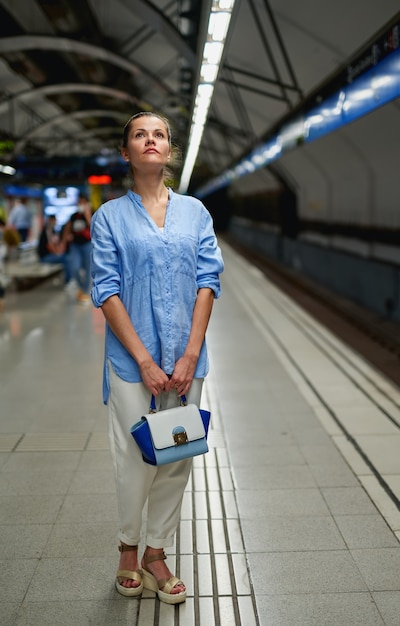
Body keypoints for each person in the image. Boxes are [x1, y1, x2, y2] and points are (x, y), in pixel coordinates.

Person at [90, 112, 224, 603]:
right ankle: (128, 547)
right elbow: (105, 290)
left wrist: (190, 354)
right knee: (135, 458)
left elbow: (209, 280)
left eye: (160, 135)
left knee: (177, 455)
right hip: (131, 363)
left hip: (188, 362)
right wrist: (145, 360)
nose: (151, 140)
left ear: (169, 151)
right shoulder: (108, 217)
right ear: (126, 153)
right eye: (140, 135)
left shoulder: (196, 213)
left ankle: (156, 552)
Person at [63, 193, 92, 303]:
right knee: (74, 267)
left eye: (83, 202)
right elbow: (68, 229)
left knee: (88, 269)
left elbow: (93, 226)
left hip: (87, 244)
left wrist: (87, 214)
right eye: (79, 202)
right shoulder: (74, 216)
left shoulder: (90, 213)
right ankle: (81, 286)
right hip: (75, 245)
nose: (80, 204)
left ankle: (85, 291)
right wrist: (64, 240)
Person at [37, 214, 72, 284]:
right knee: (66, 259)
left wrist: (59, 251)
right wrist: (58, 253)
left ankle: (69, 280)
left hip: (52, 256)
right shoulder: (47, 231)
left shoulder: (53, 231)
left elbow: (56, 244)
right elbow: (49, 246)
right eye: (53, 220)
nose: (54, 222)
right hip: (45, 257)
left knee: (68, 257)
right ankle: (68, 281)